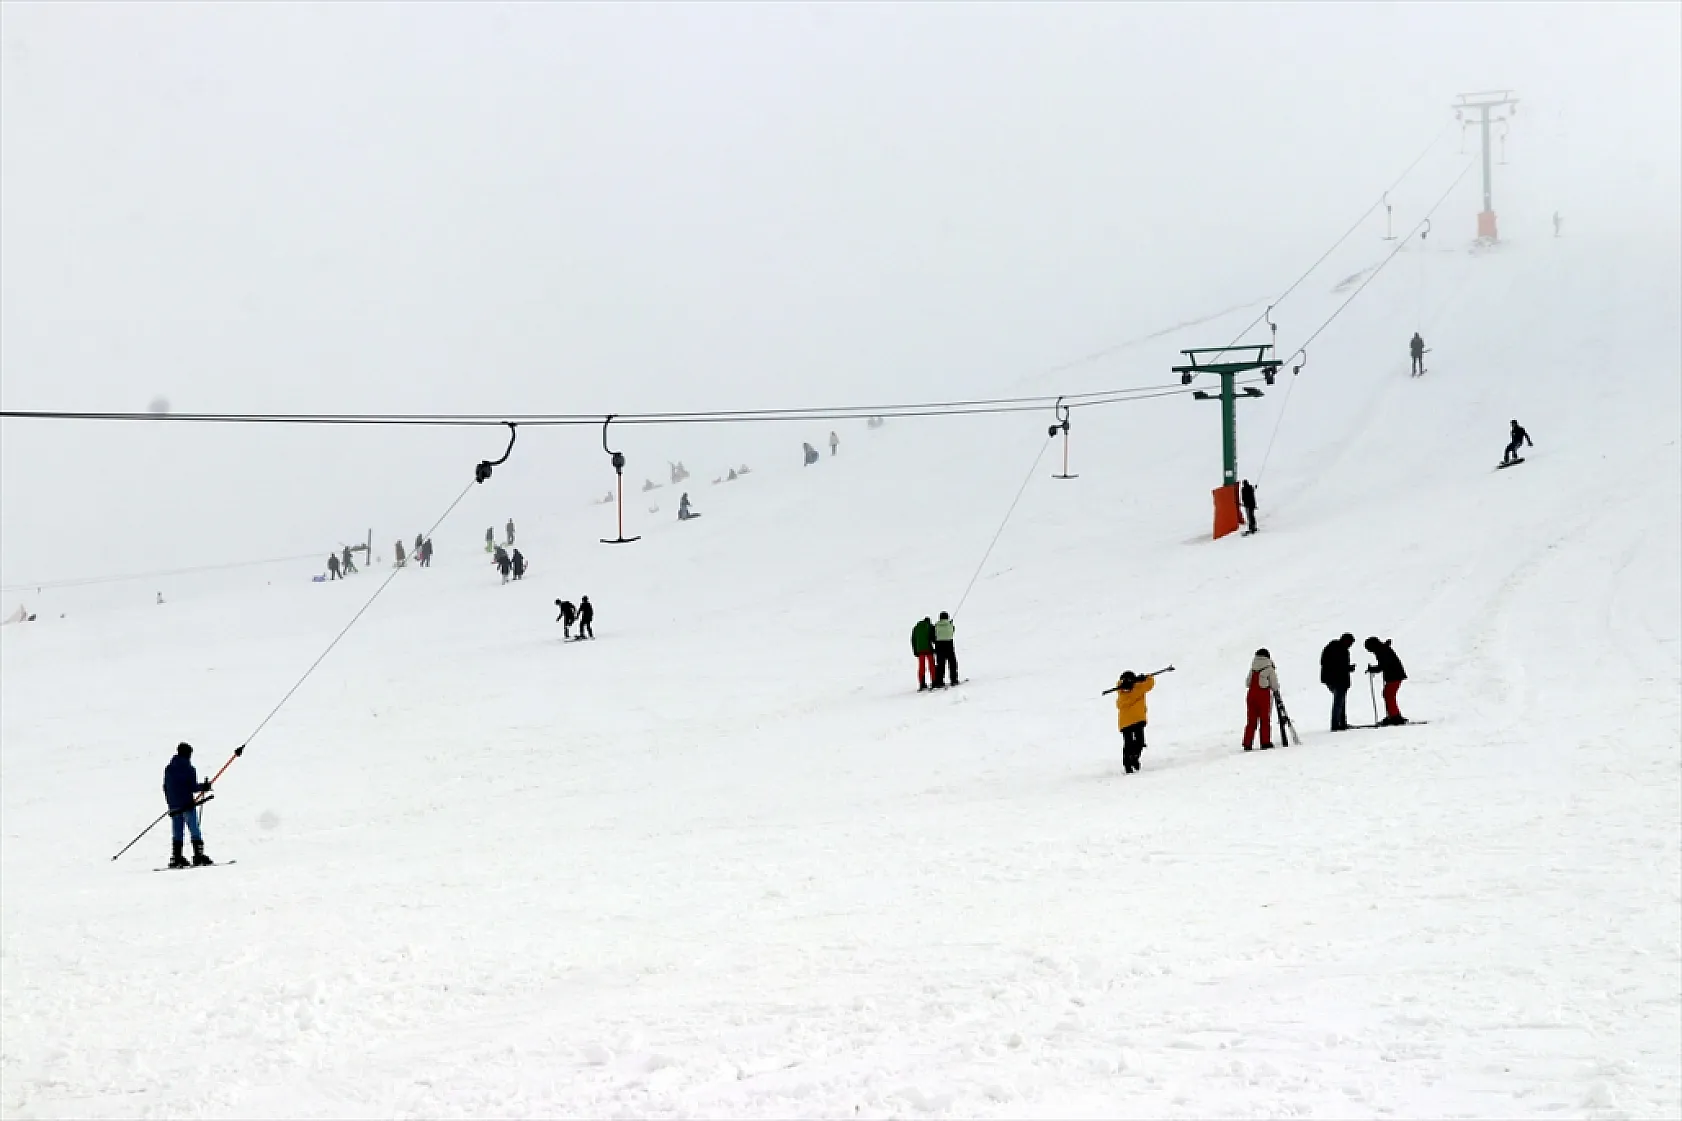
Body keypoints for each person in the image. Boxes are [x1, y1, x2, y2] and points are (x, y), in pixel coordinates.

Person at [162, 742, 214, 868]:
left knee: (177, 832)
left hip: (173, 806)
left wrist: (170, 803)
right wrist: (205, 787)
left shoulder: (168, 769)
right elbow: (193, 787)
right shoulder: (189, 769)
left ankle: (177, 857)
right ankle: (198, 856)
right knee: (194, 829)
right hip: (187, 805)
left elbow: (165, 787)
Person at [1111, 670, 1157, 774]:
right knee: (1139, 742)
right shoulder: (1139, 688)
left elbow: (1119, 684)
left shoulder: (1121, 692)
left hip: (1125, 723)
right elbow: (1150, 683)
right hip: (1138, 720)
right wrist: (1146, 677)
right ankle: (1134, 757)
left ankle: (1128, 764)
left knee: (1128, 743)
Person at [1364, 637, 1408, 725]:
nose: (1370, 651)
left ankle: (1395, 717)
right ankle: (1394, 715)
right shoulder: (1383, 649)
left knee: (1388, 695)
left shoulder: (1382, 651)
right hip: (1395, 675)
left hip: (1394, 675)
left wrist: (1373, 669)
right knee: (1388, 694)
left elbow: (1384, 665)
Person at [1242, 648, 1278, 751]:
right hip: (1263, 697)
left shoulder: (1253, 668)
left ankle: (1247, 743)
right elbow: (1274, 685)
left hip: (1251, 696)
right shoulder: (1269, 668)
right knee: (1264, 719)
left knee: (1251, 721)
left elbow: (1247, 683)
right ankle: (1265, 742)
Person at [1320, 632, 1356, 731]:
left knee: (1340, 701)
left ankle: (1341, 722)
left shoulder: (1333, 648)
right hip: (1337, 679)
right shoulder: (1339, 650)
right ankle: (1336, 724)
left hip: (1332, 679)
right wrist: (1348, 668)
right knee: (1339, 702)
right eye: (1350, 643)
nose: (1350, 645)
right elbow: (1338, 666)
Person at [931, 611, 959, 687]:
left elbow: (933, 636)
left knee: (940, 664)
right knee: (952, 663)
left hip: (939, 646)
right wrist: (950, 623)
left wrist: (935, 641)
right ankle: (954, 680)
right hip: (949, 645)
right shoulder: (950, 625)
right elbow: (952, 631)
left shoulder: (936, 626)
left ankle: (939, 681)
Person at [910, 616, 937, 691]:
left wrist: (915, 650)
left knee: (921, 666)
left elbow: (913, 640)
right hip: (928, 649)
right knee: (931, 665)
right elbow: (933, 637)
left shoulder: (916, 628)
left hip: (920, 650)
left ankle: (922, 683)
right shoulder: (929, 626)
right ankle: (934, 681)